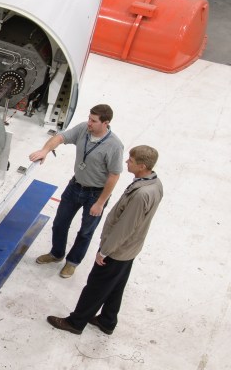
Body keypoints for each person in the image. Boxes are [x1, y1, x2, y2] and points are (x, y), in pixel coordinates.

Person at [47, 145, 163, 335]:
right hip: (130, 249)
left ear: (142, 166)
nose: (127, 162)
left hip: (117, 250)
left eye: (131, 161)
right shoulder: (154, 184)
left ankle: (76, 322)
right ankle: (107, 320)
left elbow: (125, 227)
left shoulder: (142, 194)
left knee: (96, 286)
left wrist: (105, 251)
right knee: (116, 285)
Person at [29, 104, 124, 278]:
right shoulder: (83, 129)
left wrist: (100, 202)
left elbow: (113, 176)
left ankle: (72, 262)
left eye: (93, 121)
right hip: (75, 186)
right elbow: (60, 137)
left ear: (106, 123)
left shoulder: (114, 146)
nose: (89, 122)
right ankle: (56, 254)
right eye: (89, 118)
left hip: (95, 194)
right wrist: (45, 150)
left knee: (86, 231)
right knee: (60, 223)